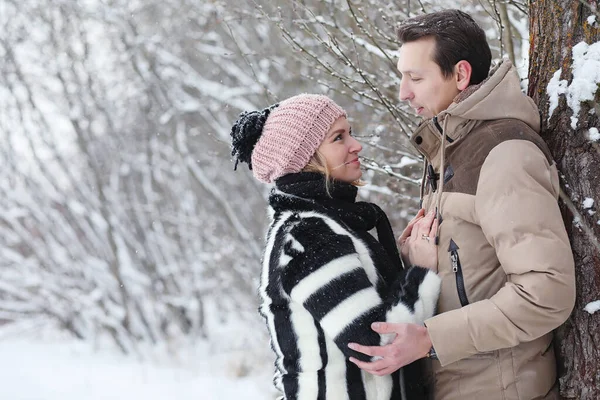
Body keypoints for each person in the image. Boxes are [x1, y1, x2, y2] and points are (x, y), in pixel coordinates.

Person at [347, 9, 576, 400]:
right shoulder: (448, 148)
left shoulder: (504, 154)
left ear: (461, 75)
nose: (403, 92)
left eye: (415, 78)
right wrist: (418, 265)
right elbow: (470, 270)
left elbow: (547, 292)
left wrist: (430, 339)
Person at [229, 93, 441, 400]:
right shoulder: (307, 235)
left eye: (350, 133)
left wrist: (406, 264)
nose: (356, 146)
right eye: (338, 138)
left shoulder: (328, 225)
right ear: (305, 158)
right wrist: (421, 272)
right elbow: (377, 348)